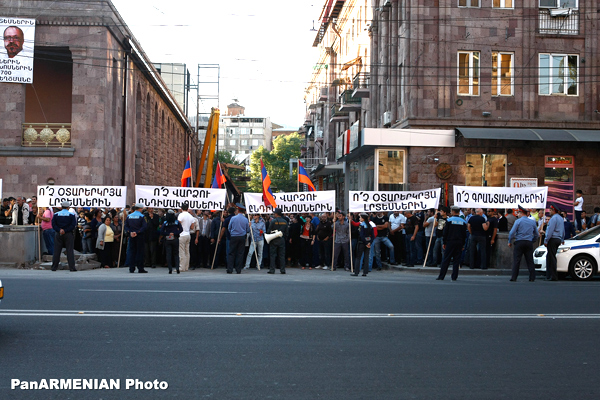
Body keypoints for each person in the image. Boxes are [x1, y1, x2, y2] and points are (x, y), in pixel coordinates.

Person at [507, 205, 539, 282]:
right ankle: (532, 277)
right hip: (528, 242)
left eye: (519, 213)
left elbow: (512, 233)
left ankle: (514, 277)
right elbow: (536, 234)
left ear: (521, 213)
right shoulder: (532, 222)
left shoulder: (518, 221)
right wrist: (532, 240)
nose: (518, 214)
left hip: (519, 242)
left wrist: (509, 241)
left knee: (517, 260)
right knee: (530, 260)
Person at [436, 206, 467, 281]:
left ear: (453, 211)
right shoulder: (463, 221)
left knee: (446, 259)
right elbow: (464, 234)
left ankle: (441, 276)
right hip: (459, 242)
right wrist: (463, 244)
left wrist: (444, 242)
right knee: (456, 260)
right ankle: (454, 277)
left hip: (450, 241)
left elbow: (445, 232)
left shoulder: (449, 220)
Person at [50, 201, 77, 272]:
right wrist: (65, 230)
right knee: (69, 250)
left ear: (62, 207)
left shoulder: (56, 214)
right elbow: (73, 225)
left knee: (57, 250)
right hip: (68, 234)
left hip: (58, 234)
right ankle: (71, 267)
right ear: (68, 207)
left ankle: (54, 267)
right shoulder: (71, 215)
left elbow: (53, 224)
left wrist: (59, 230)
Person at [124, 203, 148, 273]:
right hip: (139, 236)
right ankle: (140, 268)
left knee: (132, 252)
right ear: (140, 209)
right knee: (140, 252)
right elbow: (144, 227)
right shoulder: (142, 216)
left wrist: (130, 232)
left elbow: (126, 226)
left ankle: (131, 268)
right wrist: (137, 232)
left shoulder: (129, 216)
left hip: (131, 236)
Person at [544, 203, 565, 281]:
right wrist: (562, 239)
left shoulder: (553, 218)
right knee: (549, 256)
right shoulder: (560, 218)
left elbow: (550, 230)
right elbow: (563, 230)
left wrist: (546, 240)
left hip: (552, 239)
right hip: (558, 239)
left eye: (550, 210)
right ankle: (549, 275)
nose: (549, 211)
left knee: (552, 257)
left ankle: (553, 276)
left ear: (553, 210)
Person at [227, 204, 250, 274]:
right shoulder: (245, 219)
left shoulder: (233, 218)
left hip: (234, 236)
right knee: (240, 253)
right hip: (242, 237)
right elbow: (248, 230)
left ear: (238, 210)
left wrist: (232, 233)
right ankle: (238, 269)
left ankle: (230, 269)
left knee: (231, 253)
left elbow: (229, 228)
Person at [160, 210, 183, 274]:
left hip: (167, 239)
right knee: (176, 254)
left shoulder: (165, 223)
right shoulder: (176, 222)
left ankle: (170, 269)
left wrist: (168, 234)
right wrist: (175, 233)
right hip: (175, 238)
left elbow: (161, 231)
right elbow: (181, 229)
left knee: (168, 254)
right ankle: (177, 268)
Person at [267, 208, 288, 274]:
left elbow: (268, 231)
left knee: (273, 255)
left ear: (276, 214)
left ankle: (272, 270)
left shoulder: (273, 221)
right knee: (282, 255)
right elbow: (287, 233)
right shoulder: (285, 221)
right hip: (281, 240)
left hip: (274, 239)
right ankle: (282, 270)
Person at [177, 202, 197, 272]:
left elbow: (178, 224)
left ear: (181, 208)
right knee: (187, 251)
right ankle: (186, 266)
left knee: (181, 251)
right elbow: (192, 227)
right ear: (187, 208)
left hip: (182, 234)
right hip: (188, 234)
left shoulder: (181, 215)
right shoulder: (191, 216)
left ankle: (181, 267)